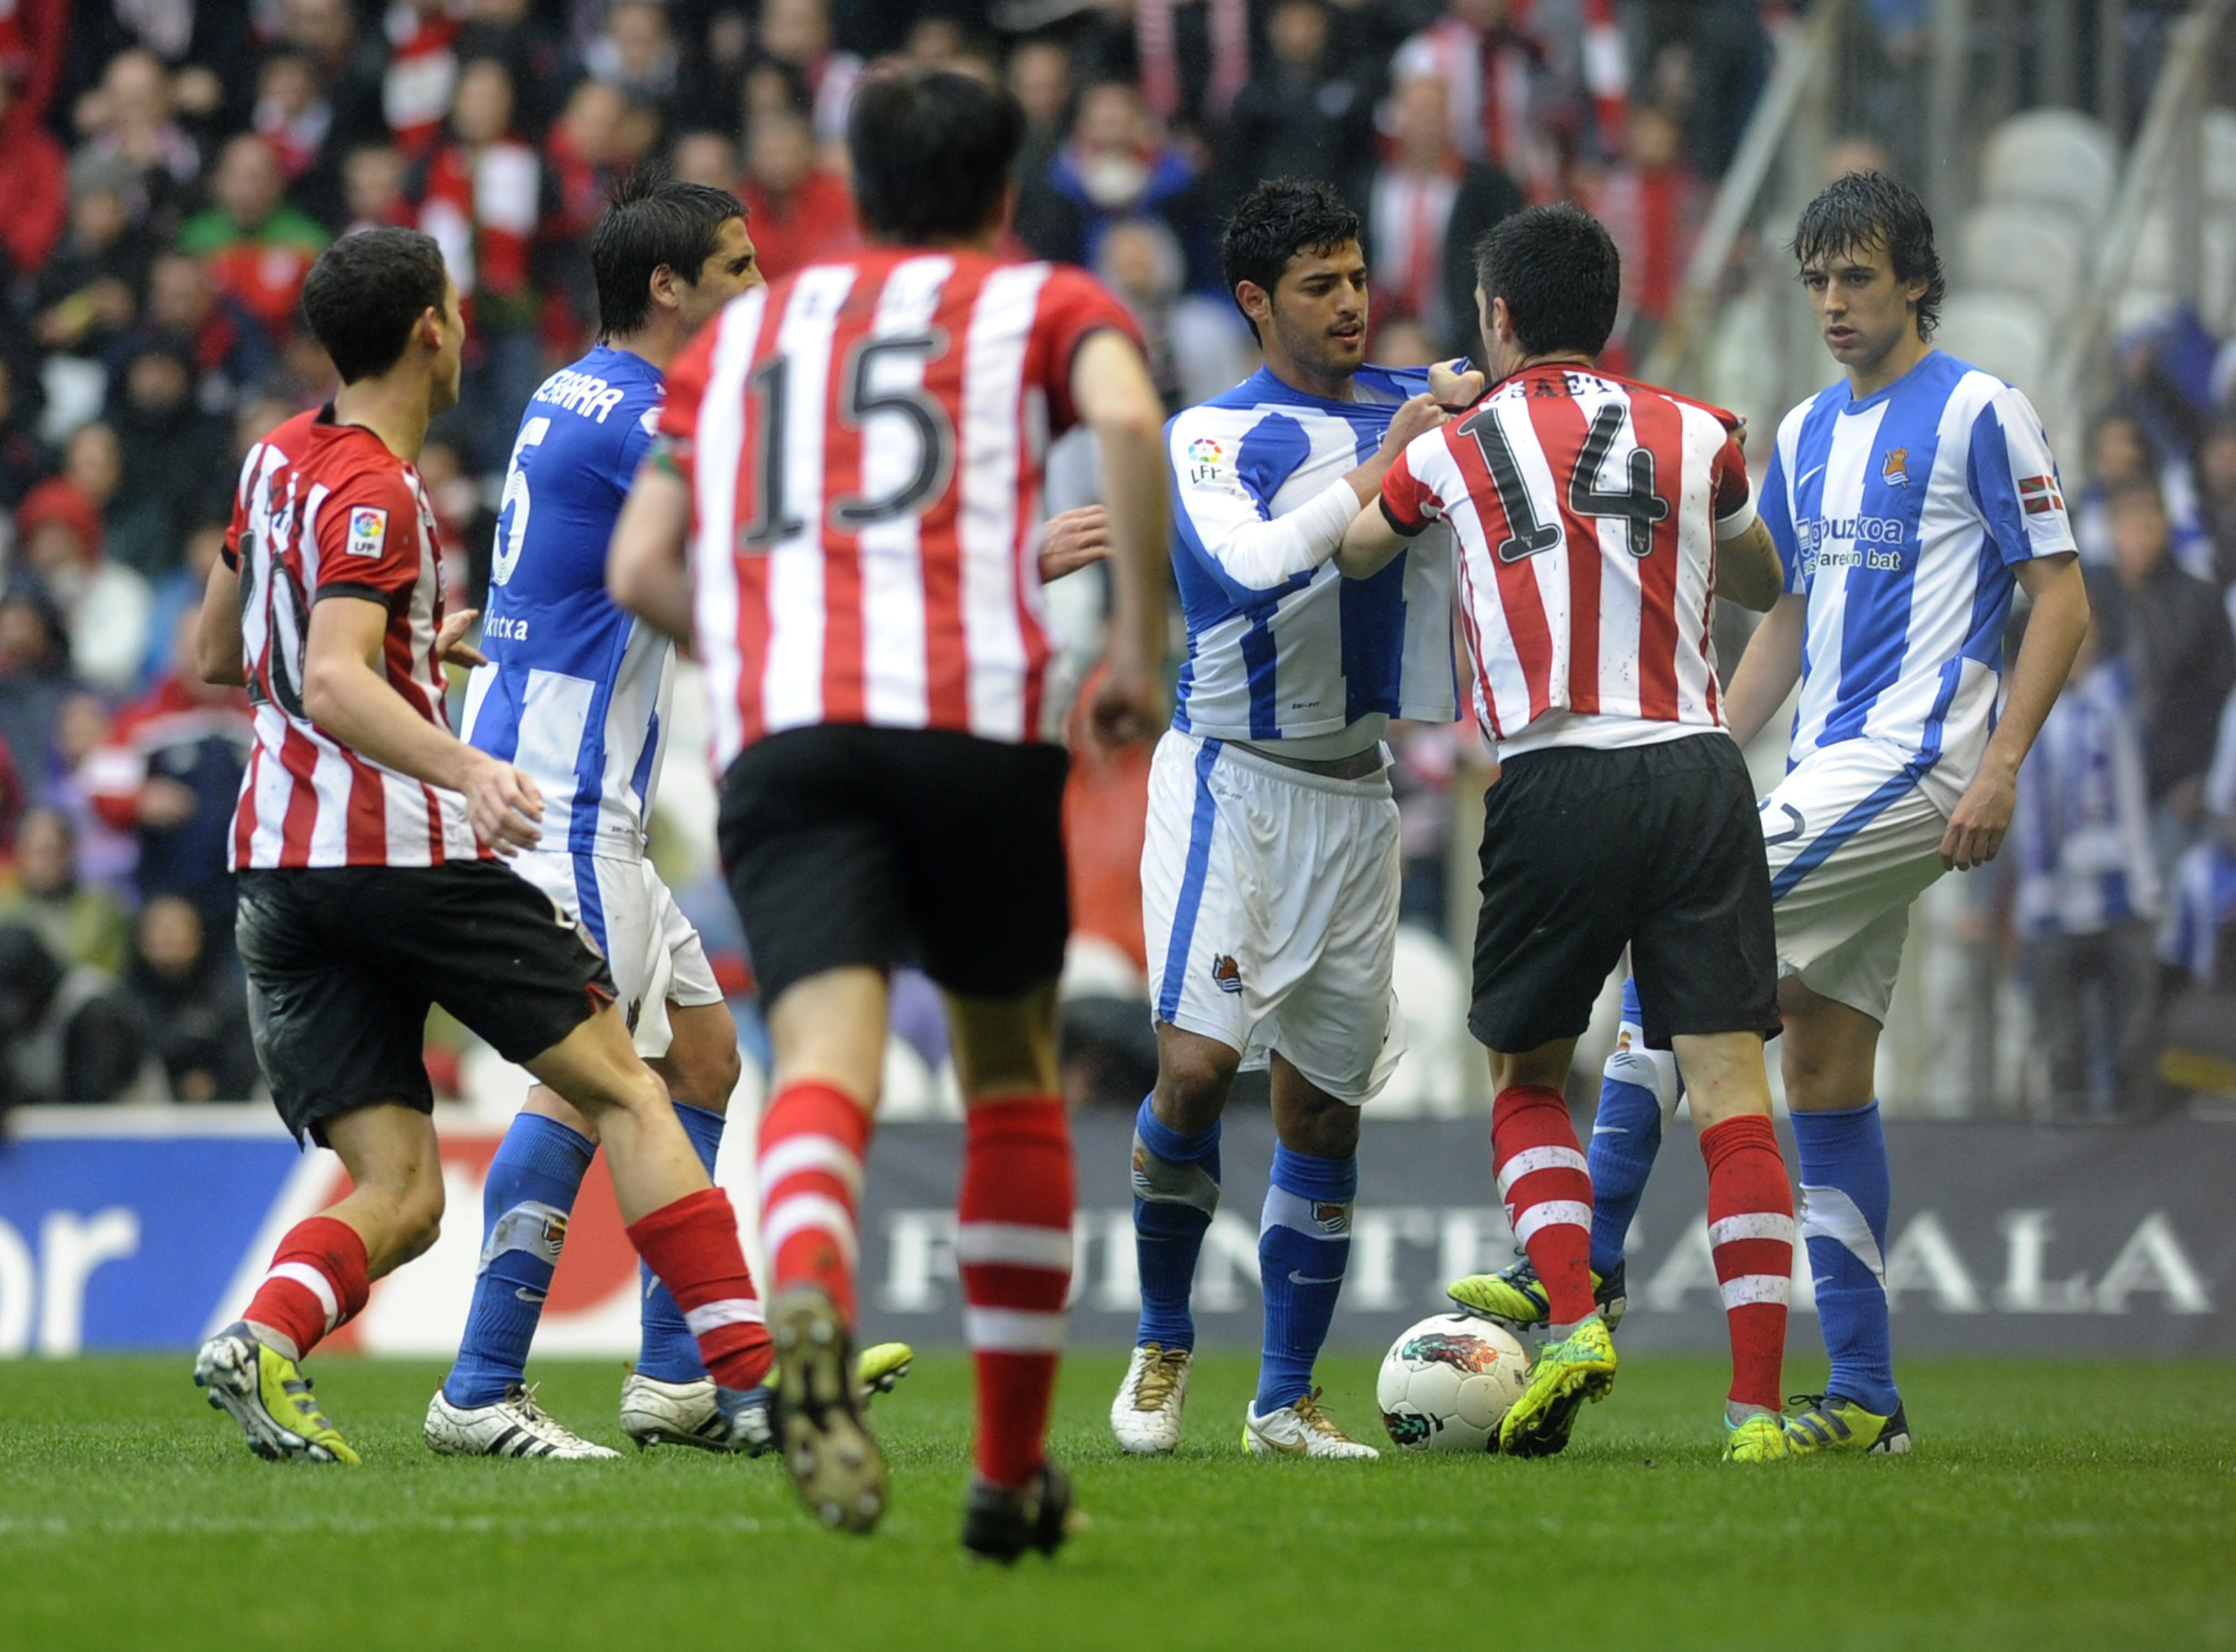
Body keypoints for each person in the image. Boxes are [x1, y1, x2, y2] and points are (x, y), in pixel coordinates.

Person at [607, 65, 1167, 1556]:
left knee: (824, 1063)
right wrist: (1135, 648)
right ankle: (1005, 1477)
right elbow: (1129, 421)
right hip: (973, 729)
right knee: (1007, 1074)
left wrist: (775, 646)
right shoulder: (1043, 303)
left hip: (792, 745)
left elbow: (641, 568)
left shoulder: (748, 335)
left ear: (855, 187)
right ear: (1001, 192)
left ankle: (802, 1283)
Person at [1467, 172, 2091, 1456]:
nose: (1833, 303)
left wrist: (2005, 765)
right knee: (1822, 1074)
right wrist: (1709, 737)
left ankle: (1586, 1262)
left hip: (1918, 767)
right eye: (1817, 281)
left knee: (1668, 949)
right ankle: (1865, 1398)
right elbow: (1792, 619)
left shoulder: (1984, 409)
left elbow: (2061, 599)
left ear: (1917, 279)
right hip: (1825, 768)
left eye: (1857, 278)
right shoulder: (1804, 430)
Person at [189, 226, 776, 1468]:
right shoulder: (385, 492)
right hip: (405, 847)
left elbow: (220, 656)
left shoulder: (274, 461)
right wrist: (457, 758)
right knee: (612, 1082)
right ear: (432, 332)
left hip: (275, 871)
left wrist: (418, 653)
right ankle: (714, 1382)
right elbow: (339, 678)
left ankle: (263, 1337)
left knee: (415, 1187)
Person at [426, 172, 902, 1461]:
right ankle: (480, 1387)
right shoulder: (644, 414)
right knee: (587, 1088)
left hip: (573, 783)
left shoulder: (566, 389)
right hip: (566, 797)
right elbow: (771, 545)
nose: (757, 286)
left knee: (701, 1057)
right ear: (668, 287)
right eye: (739, 268)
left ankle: (676, 1376)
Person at [1341, 203, 1793, 1462]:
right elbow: (1763, 583)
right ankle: (1756, 1413)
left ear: (1498, 317)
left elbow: (1359, 549)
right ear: (1616, 314)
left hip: (1553, 776)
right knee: (1731, 1095)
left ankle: (1580, 1317)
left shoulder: (1462, 446)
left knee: (1528, 1079)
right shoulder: (1699, 432)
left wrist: (1404, 442)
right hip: (1699, 771)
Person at [1109, 177, 1465, 1463]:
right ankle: (1161, 1340)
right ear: (1257, 302)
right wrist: (1392, 460)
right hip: (1231, 782)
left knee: (1322, 1113)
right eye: (1320, 285)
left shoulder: (1417, 392)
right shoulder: (1211, 432)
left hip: (1357, 795)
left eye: (1359, 277)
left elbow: (1538, 388)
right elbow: (1255, 566)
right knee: (1198, 1071)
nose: (1353, 304)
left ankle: (1286, 1400)